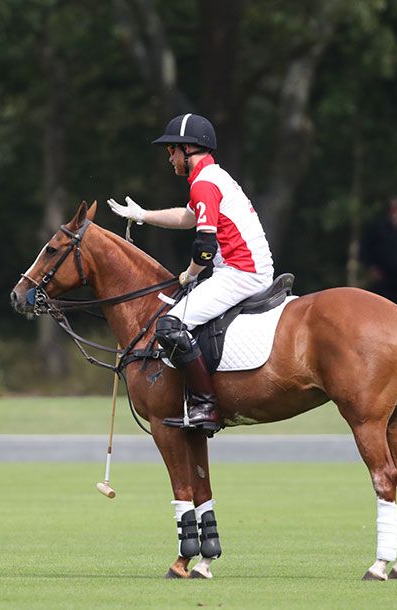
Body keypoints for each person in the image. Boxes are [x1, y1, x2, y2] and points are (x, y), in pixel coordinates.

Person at [107, 113, 274, 435]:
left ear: (187, 149)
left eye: (172, 151)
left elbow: (205, 246)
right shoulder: (212, 177)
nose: (169, 158)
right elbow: (188, 217)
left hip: (241, 272)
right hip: (245, 268)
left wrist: (191, 273)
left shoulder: (205, 183)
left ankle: (206, 405)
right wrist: (142, 215)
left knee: (170, 324)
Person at [359, 196, 397, 308]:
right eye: (393, 209)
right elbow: (365, 248)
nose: (395, 212)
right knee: (380, 307)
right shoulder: (377, 228)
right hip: (382, 278)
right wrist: (371, 267)